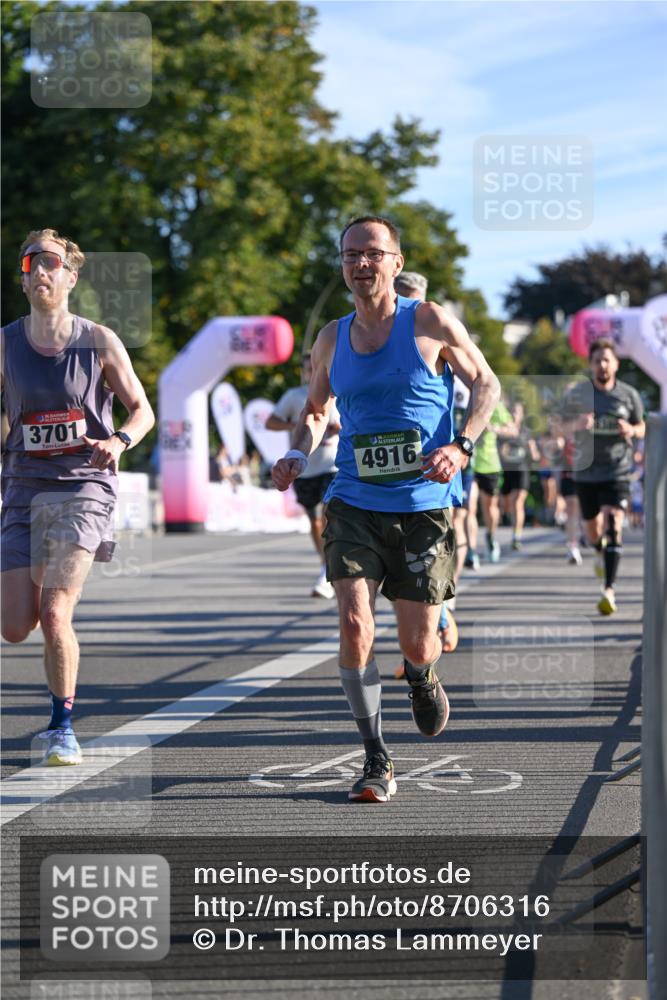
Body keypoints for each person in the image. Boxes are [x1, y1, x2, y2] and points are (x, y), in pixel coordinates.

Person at [272, 215, 500, 803]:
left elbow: (487, 386)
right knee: (353, 622)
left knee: (419, 644)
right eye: (350, 254)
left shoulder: (428, 321)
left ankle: (422, 677)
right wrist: (298, 452)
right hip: (352, 499)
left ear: (396, 263)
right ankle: (376, 757)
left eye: (373, 253)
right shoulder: (331, 336)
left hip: (423, 505)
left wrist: (461, 444)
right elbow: (317, 410)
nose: (360, 263)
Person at [1, 229, 155, 764]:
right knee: (16, 625)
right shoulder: (6, 343)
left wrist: (119, 439)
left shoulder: (100, 340)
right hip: (22, 488)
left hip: (83, 486)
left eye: (51, 261)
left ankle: (62, 727)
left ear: (70, 275)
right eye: (30, 262)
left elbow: (142, 409)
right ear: (22, 278)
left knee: (55, 612)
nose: (40, 270)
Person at [562, 338, 645, 615]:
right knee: (594, 532)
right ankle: (599, 549)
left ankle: (608, 590)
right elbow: (558, 427)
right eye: (597, 360)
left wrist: (632, 431)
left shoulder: (629, 394)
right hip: (586, 473)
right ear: (591, 364)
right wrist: (577, 424)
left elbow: (643, 426)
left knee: (614, 522)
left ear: (616, 364)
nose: (603, 364)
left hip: (618, 470)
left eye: (607, 359)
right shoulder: (578, 395)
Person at [266, 353, 340, 599]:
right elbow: (271, 422)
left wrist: (340, 429)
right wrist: (296, 426)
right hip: (306, 468)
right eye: (309, 369)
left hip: (334, 465)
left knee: (329, 514)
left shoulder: (339, 392)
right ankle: (325, 563)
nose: (313, 372)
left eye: (316, 367)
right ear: (304, 372)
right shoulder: (294, 396)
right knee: (314, 521)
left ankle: (330, 568)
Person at [467, 399, 513, 564]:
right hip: (468, 463)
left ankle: (491, 536)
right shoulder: (463, 400)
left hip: (490, 464)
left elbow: (513, 429)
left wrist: (494, 428)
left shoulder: (494, 403)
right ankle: (471, 551)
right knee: (469, 507)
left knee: (489, 507)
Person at [497, 401, 539, 550]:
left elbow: (534, 453)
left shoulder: (526, 432)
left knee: (517, 502)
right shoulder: (503, 431)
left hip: (522, 470)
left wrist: (534, 454)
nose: (514, 414)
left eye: (517, 412)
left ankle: (516, 537)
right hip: (506, 471)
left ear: (521, 415)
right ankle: (508, 518)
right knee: (506, 504)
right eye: (512, 411)